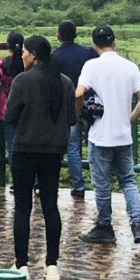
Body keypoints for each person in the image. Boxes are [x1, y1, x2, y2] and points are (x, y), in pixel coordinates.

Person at [4, 36, 76, 280]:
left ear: (33, 54)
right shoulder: (64, 82)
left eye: (23, 52)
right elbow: (72, 118)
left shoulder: (23, 80)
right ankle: (52, 265)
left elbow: (9, 114)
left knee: (23, 207)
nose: (21, 56)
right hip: (53, 152)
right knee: (50, 206)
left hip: (24, 149)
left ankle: (22, 264)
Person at [76, 25, 140, 246]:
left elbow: (79, 93)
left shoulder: (91, 65)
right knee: (128, 181)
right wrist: (129, 118)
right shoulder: (129, 67)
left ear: (94, 44)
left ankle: (104, 226)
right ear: (115, 42)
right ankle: (138, 226)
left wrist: (82, 112)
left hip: (100, 135)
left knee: (102, 184)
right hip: (123, 135)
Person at [51, 20, 97, 199]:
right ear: (76, 34)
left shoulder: (54, 56)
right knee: (94, 145)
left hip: (67, 106)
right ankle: (100, 185)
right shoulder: (88, 52)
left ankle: (78, 186)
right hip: (91, 105)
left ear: (59, 35)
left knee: (72, 147)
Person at [0, 31, 25, 175]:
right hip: (28, 110)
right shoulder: (27, 63)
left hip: (8, 110)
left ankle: (18, 179)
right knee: (29, 146)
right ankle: (33, 181)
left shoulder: (5, 65)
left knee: (12, 146)